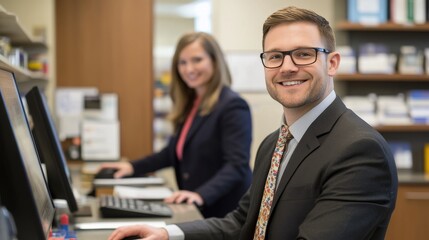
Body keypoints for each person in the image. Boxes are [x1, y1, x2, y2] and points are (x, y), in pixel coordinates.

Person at [108, 6, 398, 240]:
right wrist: (167, 233)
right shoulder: (274, 143)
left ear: (332, 63)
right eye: (275, 56)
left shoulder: (359, 150)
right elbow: (242, 222)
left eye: (304, 54)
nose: (287, 67)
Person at [99, 32, 253, 218]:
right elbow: (171, 153)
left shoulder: (233, 106)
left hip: (225, 211)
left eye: (197, 60)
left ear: (214, 61)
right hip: (198, 208)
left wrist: (200, 194)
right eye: (183, 62)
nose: (189, 69)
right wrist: (131, 167)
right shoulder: (191, 104)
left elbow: (236, 165)